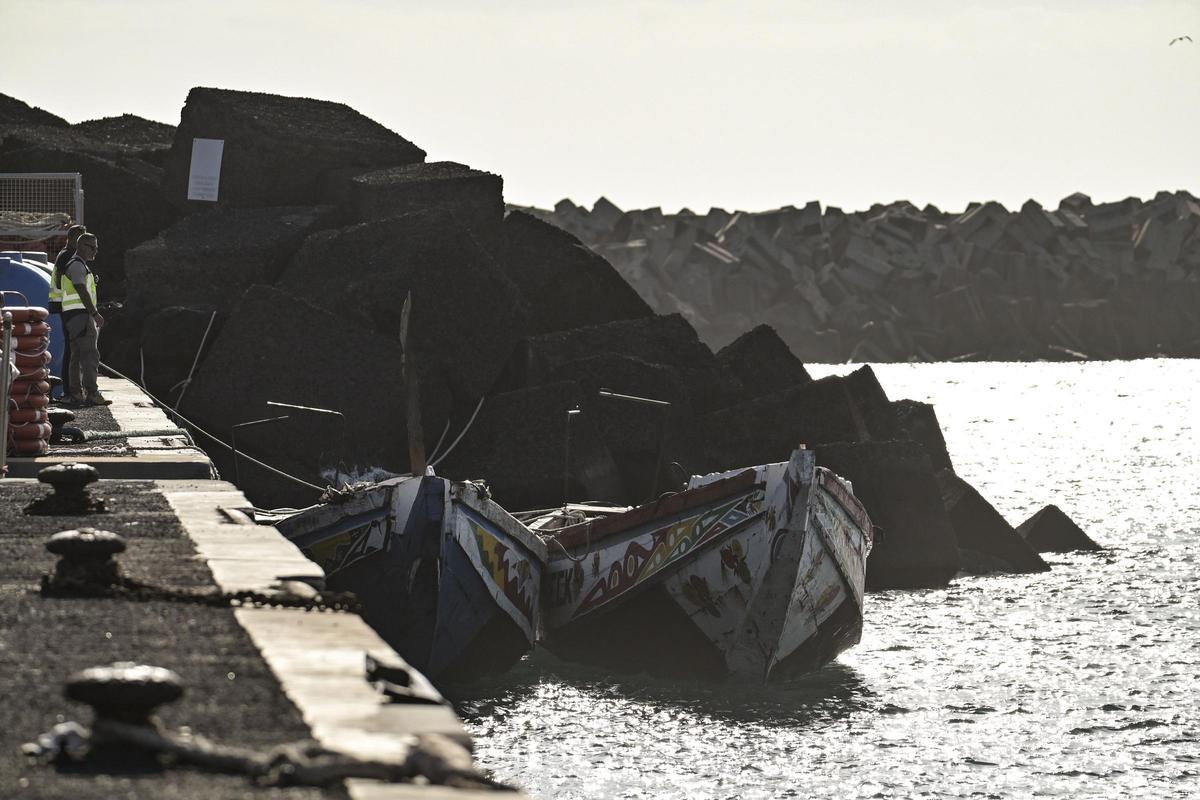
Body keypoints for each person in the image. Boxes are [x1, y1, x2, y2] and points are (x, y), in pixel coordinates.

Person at [60, 232, 109, 406]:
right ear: (81, 246)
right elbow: (81, 288)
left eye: (96, 248)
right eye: (91, 247)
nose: (95, 251)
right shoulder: (78, 266)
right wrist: (95, 314)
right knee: (90, 355)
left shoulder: (75, 265)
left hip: (73, 316)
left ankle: (76, 393)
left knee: (77, 355)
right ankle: (92, 393)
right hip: (81, 316)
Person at [49, 224, 86, 401]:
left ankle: (72, 390)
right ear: (71, 239)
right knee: (73, 352)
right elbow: (70, 284)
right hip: (71, 309)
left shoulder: (65, 255)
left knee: (73, 351)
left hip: (68, 308)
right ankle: (70, 391)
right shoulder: (68, 257)